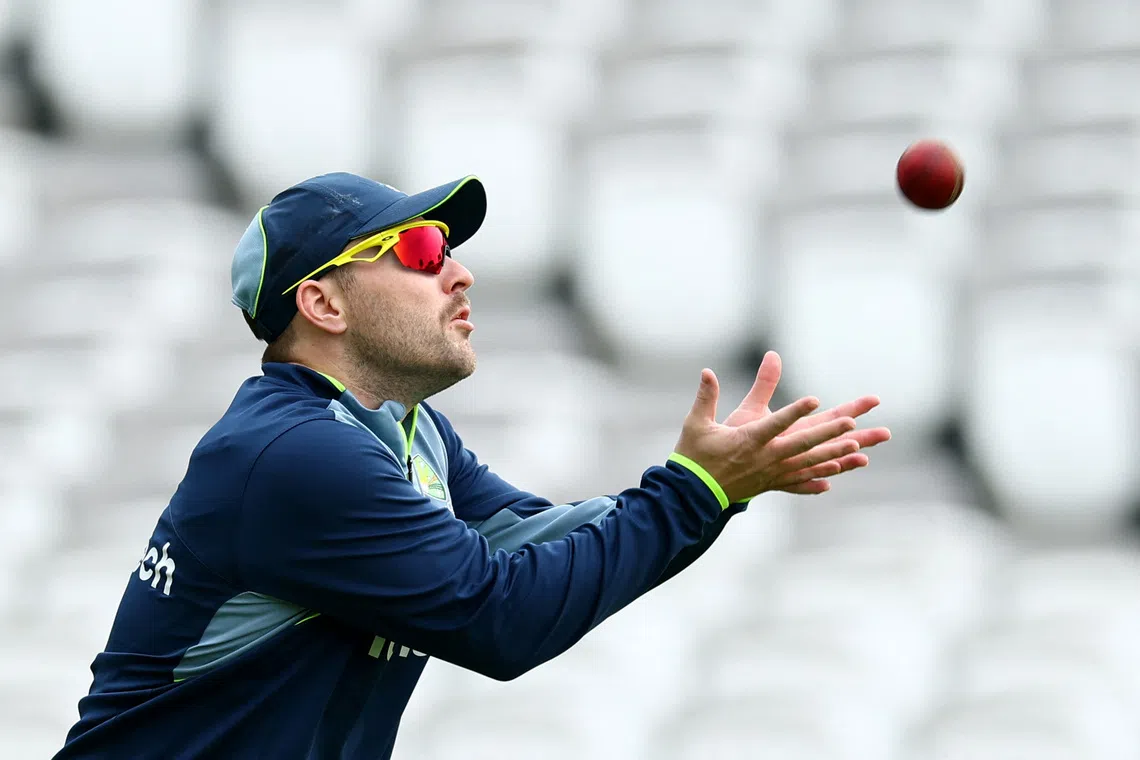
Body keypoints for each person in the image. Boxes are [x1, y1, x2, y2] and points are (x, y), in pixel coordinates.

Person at [54, 172, 890, 759]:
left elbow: (537, 541)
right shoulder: (295, 456)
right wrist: (695, 493)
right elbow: (502, 617)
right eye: (419, 249)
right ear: (322, 302)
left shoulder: (407, 434)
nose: (459, 270)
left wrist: (720, 479)